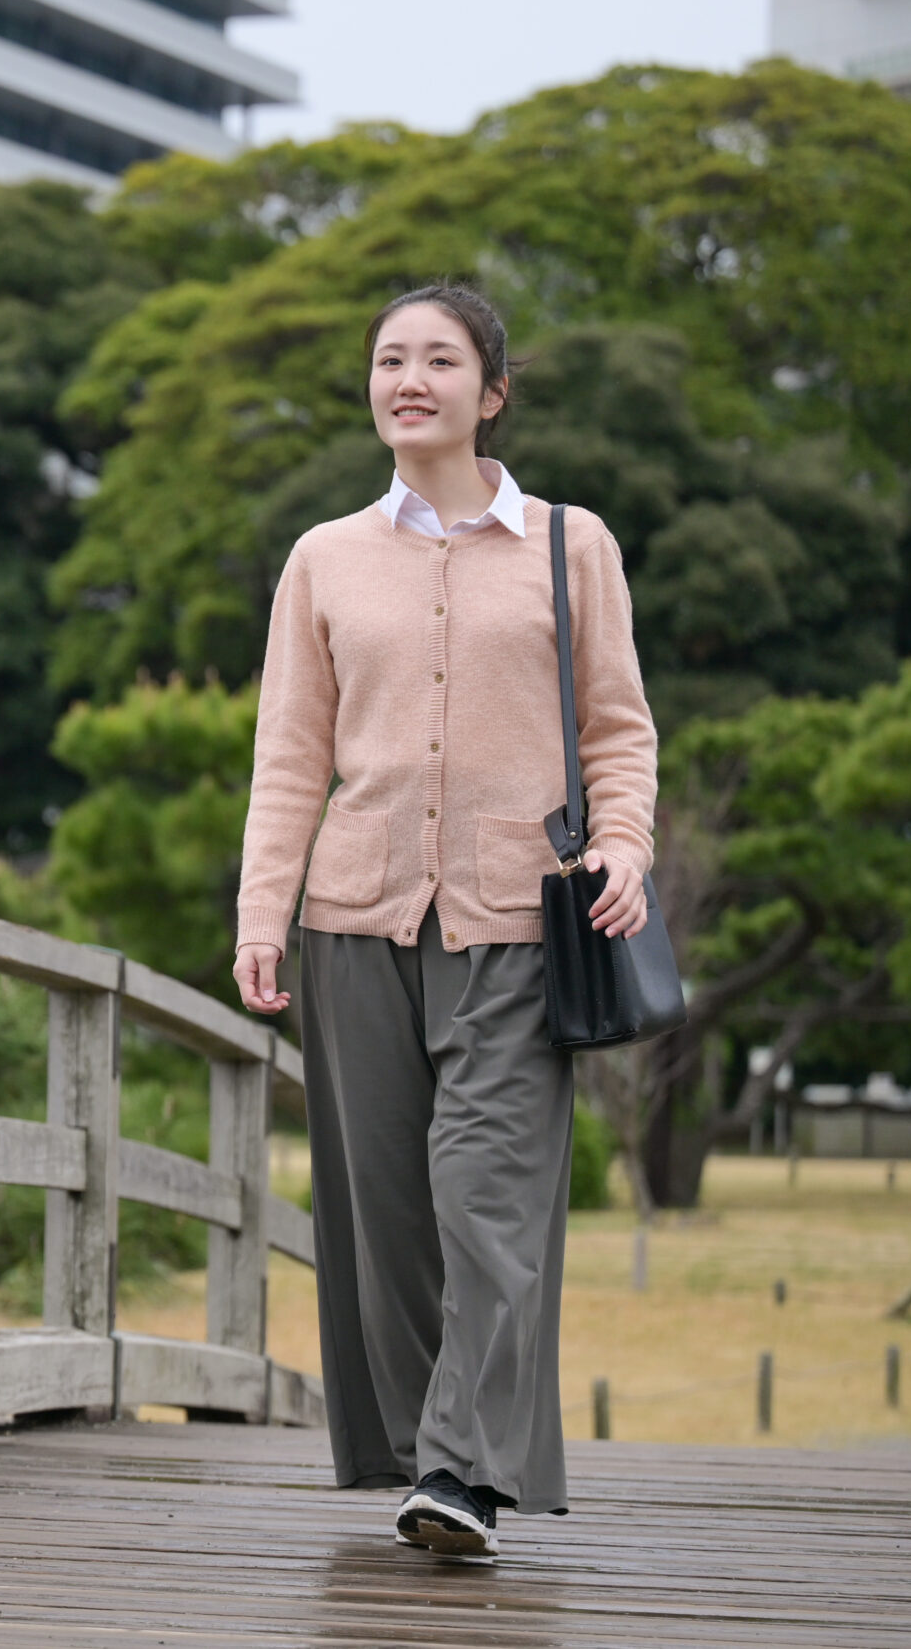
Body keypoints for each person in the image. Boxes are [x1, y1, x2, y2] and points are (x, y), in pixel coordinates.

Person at [231, 285, 656, 1559]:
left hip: (519, 926)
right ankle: (425, 1454)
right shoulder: (323, 557)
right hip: (353, 920)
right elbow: (288, 757)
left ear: (493, 391)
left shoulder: (570, 547)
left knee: (486, 1196)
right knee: (387, 1216)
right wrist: (264, 907)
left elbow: (618, 730)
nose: (407, 379)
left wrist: (625, 842)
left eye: (437, 360)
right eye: (387, 360)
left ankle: (464, 1473)